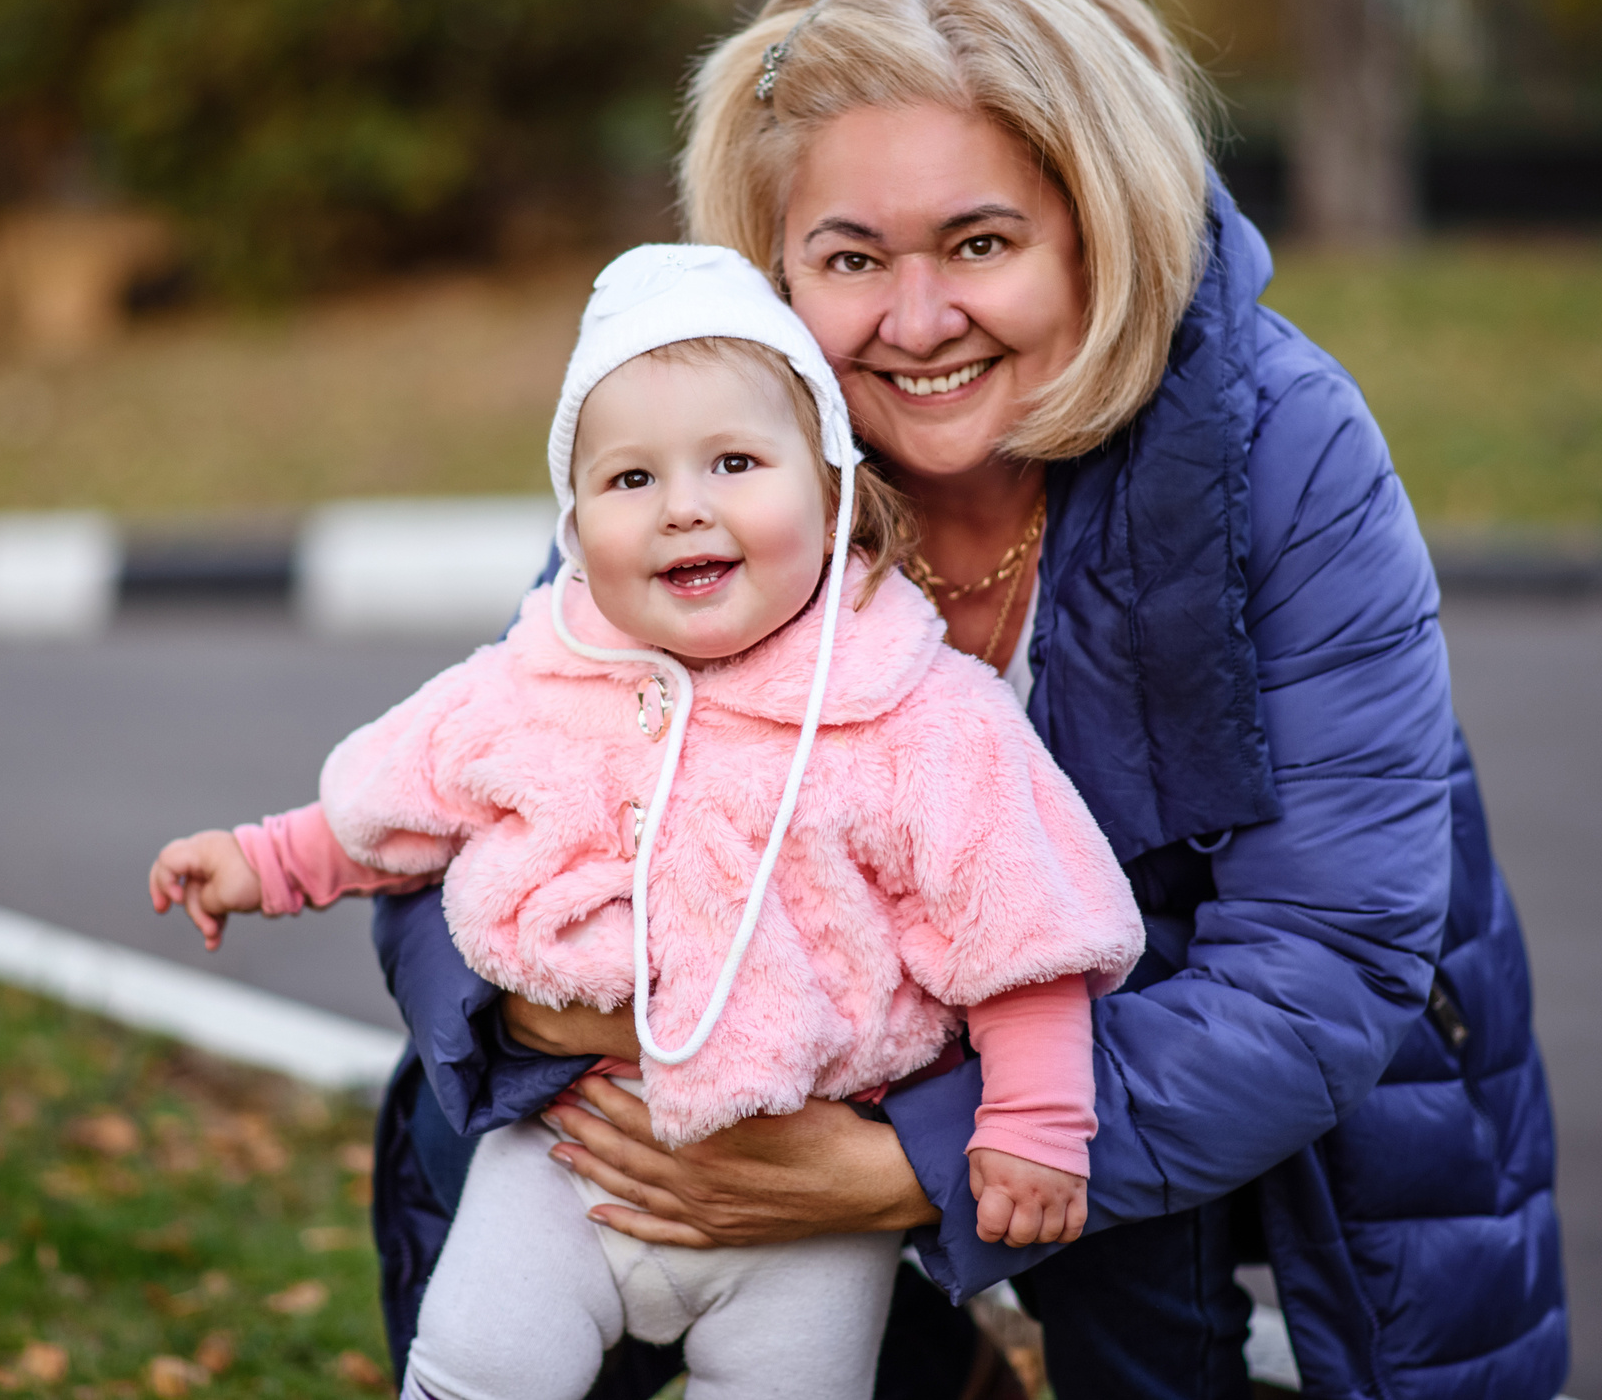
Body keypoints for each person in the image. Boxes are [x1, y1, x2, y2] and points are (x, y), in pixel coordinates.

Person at [368, 0, 1569, 1400]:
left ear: (1095, 231)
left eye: (980, 245)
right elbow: (484, 778)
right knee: (525, 1139)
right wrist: (547, 1016)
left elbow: (1326, 957)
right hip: (830, 1043)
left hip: (1219, 1081)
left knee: (1143, 1210)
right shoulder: (730, 459)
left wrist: (893, 1168)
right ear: (777, 272)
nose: (918, 321)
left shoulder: (1283, 447)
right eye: (852, 260)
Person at [148, 243, 1146, 1400]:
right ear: (574, 520)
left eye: (733, 462)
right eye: (630, 479)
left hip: (802, 1185)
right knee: (478, 1365)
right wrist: (261, 859)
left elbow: (1016, 923)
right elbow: (395, 802)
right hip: (568, 1153)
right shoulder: (540, 673)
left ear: (830, 490)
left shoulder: (911, 708)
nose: (683, 507)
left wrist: (1030, 1122)